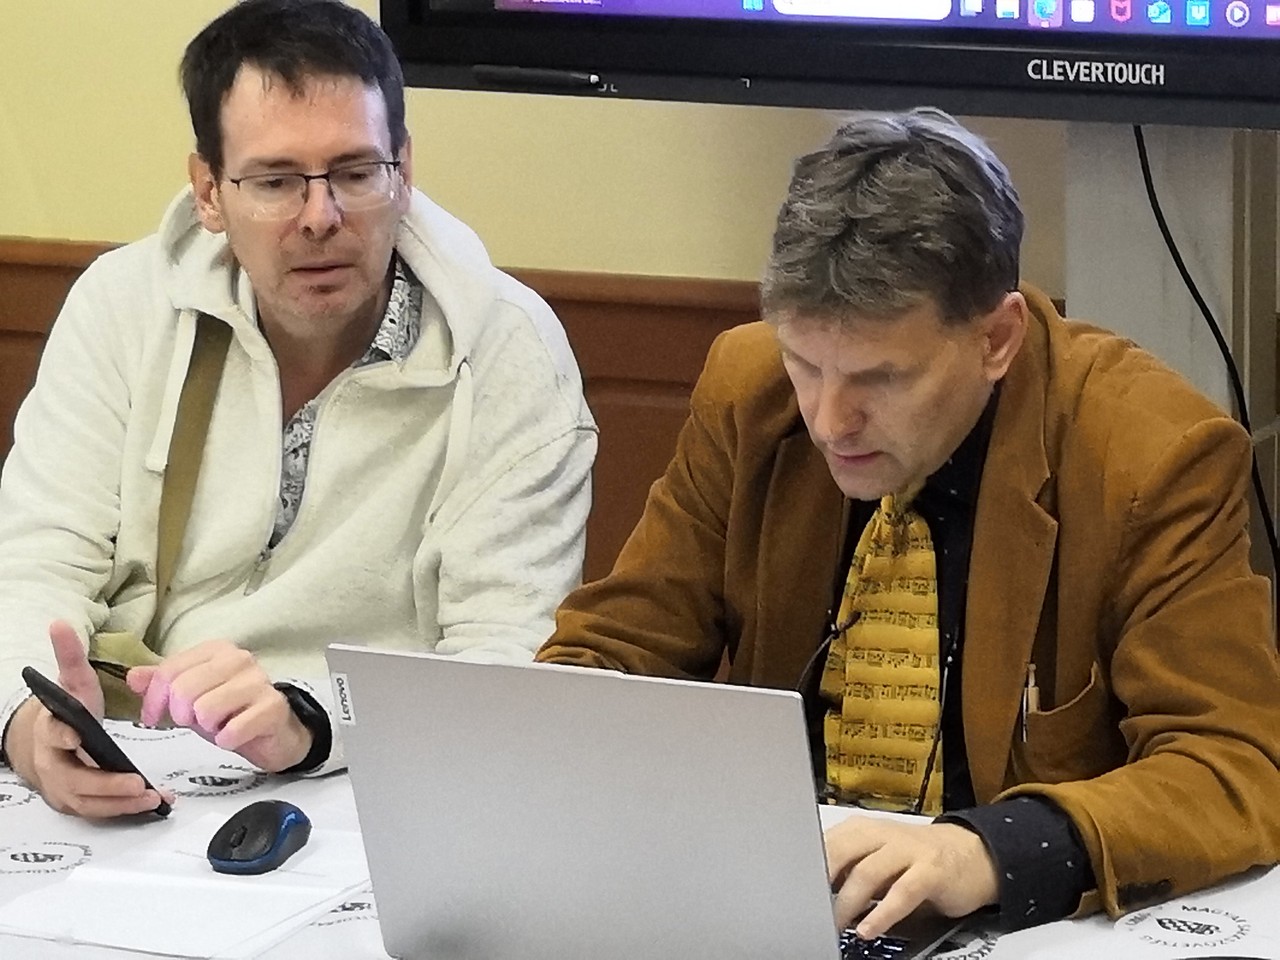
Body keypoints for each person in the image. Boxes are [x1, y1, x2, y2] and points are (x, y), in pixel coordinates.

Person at [538, 109, 1279, 939]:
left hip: (1014, 925)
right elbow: (613, 650)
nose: (829, 421)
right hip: (786, 905)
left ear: (997, 338)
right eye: (805, 363)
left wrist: (987, 851)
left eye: (880, 379)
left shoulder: (1151, 454)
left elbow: (1232, 766)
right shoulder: (749, 392)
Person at [0, 0, 596, 818]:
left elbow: (502, 661)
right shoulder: (123, 305)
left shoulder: (506, 345)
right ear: (209, 193)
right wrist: (28, 723)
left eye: (355, 172)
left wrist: (311, 721)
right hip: (130, 751)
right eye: (276, 182)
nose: (321, 217)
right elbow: (33, 563)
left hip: (372, 779)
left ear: (403, 171)